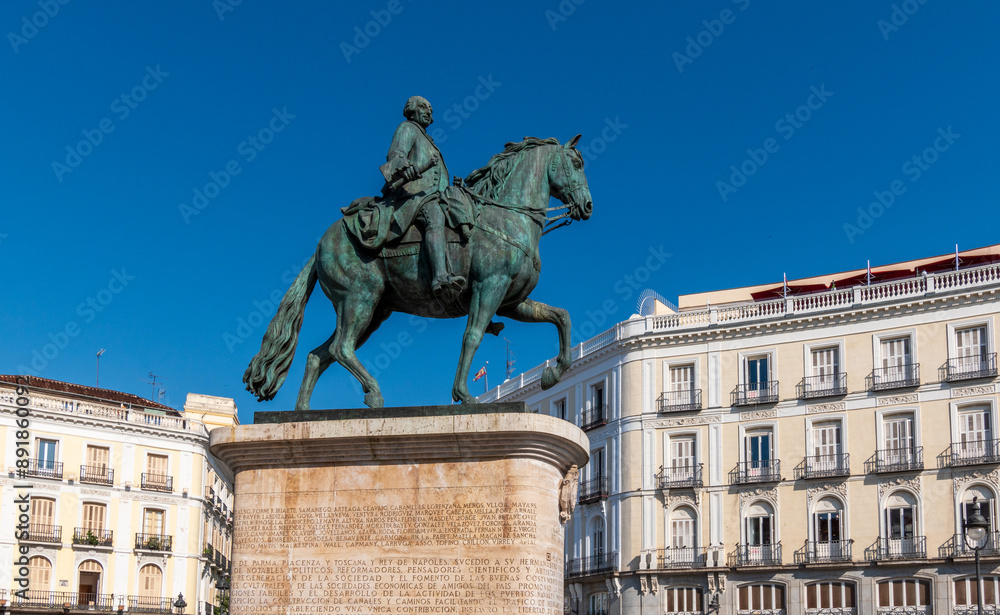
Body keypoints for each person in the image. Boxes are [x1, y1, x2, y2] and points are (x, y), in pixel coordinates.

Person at [380, 96, 471, 296]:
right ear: (412, 110)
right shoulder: (407, 128)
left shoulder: (428, 139)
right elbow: (396, 154)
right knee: (435, 218)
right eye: (423, 107)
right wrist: (405, 167)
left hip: (435, 195)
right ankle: (439, 276)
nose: (429, 111)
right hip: (414, 195)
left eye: (431, 108)